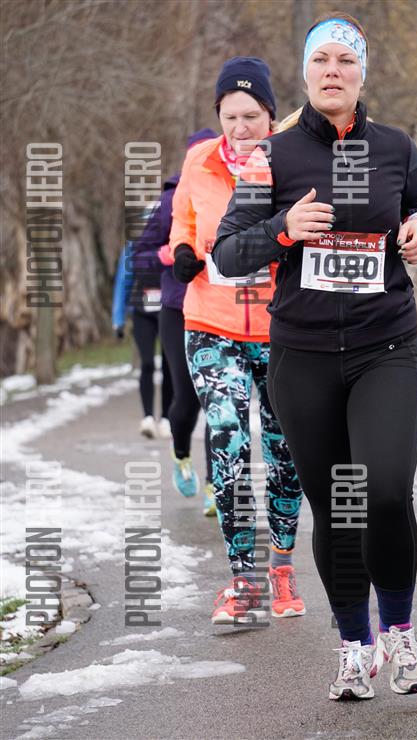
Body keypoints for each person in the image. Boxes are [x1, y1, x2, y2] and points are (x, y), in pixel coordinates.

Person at [213, 14, 417, 697]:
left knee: (386, 489)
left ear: (361, 73)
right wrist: (282, 228)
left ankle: (399, 635)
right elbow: (228, 253)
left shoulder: (396, 147)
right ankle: (353, 647)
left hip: (386, 349)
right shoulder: (271, 158)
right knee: (337, 506)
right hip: (304, 357)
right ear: (306, 74)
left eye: (345, 60)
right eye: (321, 60)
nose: (332, 71)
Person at [169, 57, 306, 624]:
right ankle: (242, 579)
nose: (241, 127)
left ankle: (281, 568)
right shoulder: (199, 159)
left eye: (251, 116)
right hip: (209, 320)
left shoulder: (291, 160)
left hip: (280, 325)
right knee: (227, 435)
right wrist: (182, 249)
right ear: (218, 116)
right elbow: (183, 218)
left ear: (271, 115)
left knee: (284, 448)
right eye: (230, 116)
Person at [132, 129, 217, 506]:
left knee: (219, 399)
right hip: (178, 310)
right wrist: (165, 255)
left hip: (220, 310)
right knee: (188, 397)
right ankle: (181, 453)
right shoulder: (169, 200)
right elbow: (138, 257)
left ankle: (216, 485)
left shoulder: (232, 190)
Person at [112, 236, 173, 439]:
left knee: (168, 364)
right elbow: (123, 282)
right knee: (147, 363)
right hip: (142, 312)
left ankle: (166, 418)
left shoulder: (173, 239)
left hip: (168, 311)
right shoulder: (134, 246)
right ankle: (147, 417)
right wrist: (118, 319)